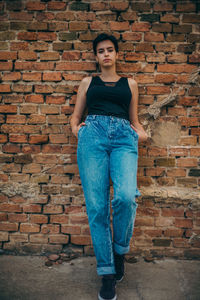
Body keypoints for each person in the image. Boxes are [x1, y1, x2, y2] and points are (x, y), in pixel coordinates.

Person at [70, 33, 148, 300]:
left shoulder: (131, 84)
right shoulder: (87, 82)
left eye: (110, 50)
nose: (106, 54)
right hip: (92, 138)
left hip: (124, 140)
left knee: (126, 197)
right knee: (97, 207)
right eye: (101, 50)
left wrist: (141, 133)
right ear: (96, 56)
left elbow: (134, 118)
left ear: (116, 54)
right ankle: (106, 273)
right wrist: (76, 130)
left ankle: (119, 251)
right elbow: (76, 115)